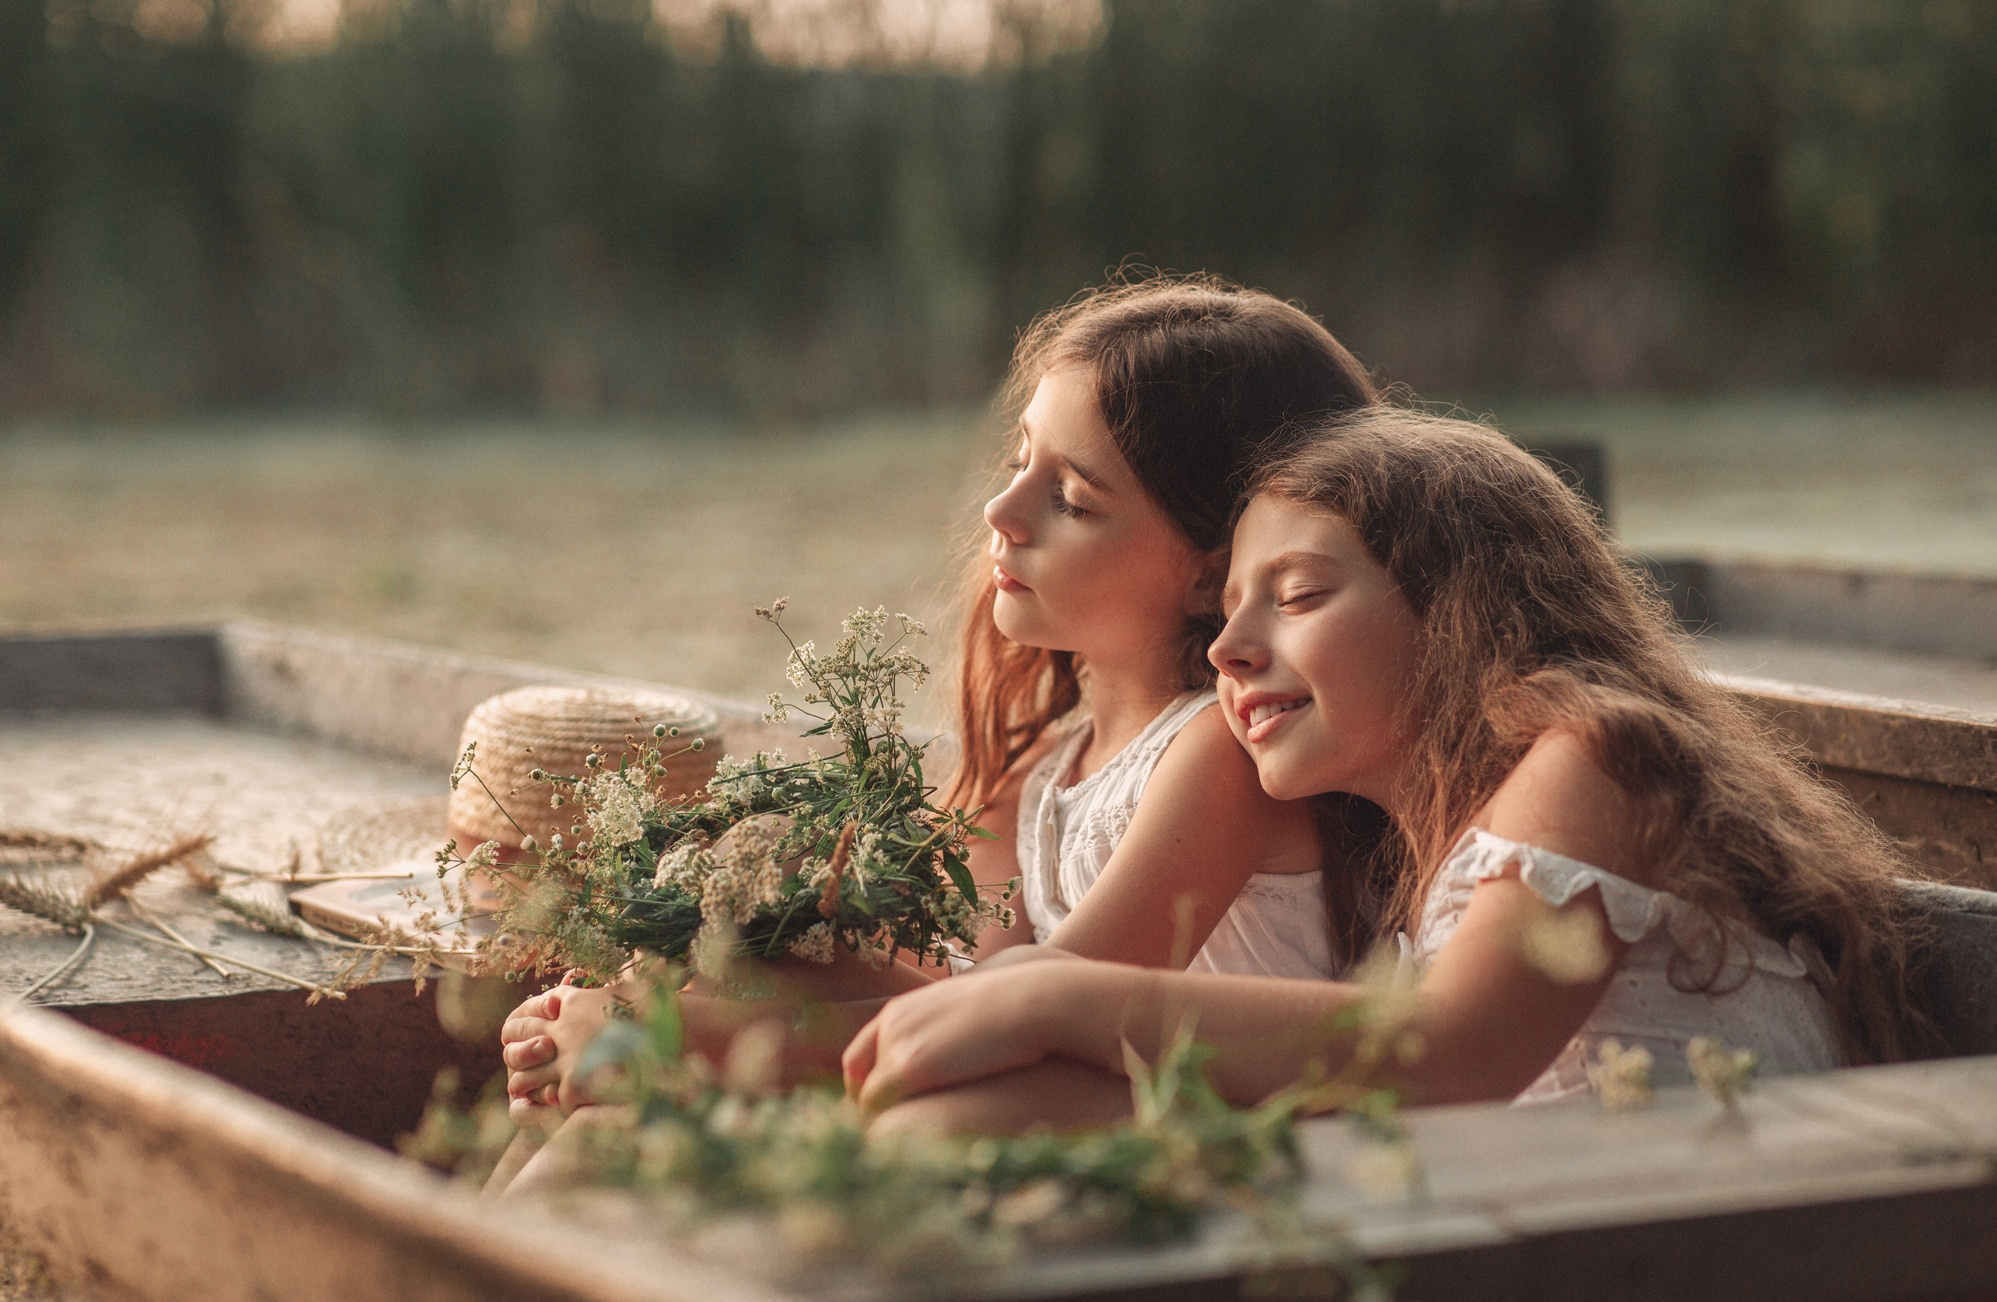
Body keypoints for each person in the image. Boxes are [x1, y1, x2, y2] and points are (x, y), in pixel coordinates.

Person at [842, 406, 1940, 1134]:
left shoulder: (1591, 757)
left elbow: (1448, 1053)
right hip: (1553, 1221)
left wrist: (1059, 997)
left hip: (1738, 1252)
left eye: (1298, 594)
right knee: (961, 1111)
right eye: (1227, 606)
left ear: (1463, 613)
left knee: (976, 1113)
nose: (1225, 651)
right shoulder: (1423, 860)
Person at [498, 274, 1381, 1126]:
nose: (1001, 508)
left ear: (1210, 571)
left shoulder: (1217, 756)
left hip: (1209, 1129)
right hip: (1059, 1090)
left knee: (657, 1083)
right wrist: (678, 979)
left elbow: (1027, 1017)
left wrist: (678, 1041)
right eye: (1017, 460)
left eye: (1069, 498)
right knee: (707, 1001)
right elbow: (955, 981)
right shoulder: (1052, 758)